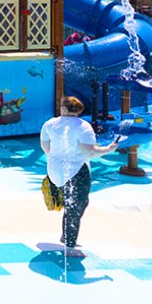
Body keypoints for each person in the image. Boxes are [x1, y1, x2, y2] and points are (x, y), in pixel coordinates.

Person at [39, 95, 118, 257]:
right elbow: (89, 151)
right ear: (79, 110)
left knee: (78, 203)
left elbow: (45, 144)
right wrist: (109, 149)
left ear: (63, 108)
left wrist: (55, 158)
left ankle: (65, 235)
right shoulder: (83, 126)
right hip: (76, 171)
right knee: (75, 206)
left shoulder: (50, 124)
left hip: (54, 171)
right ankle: (70, 247)